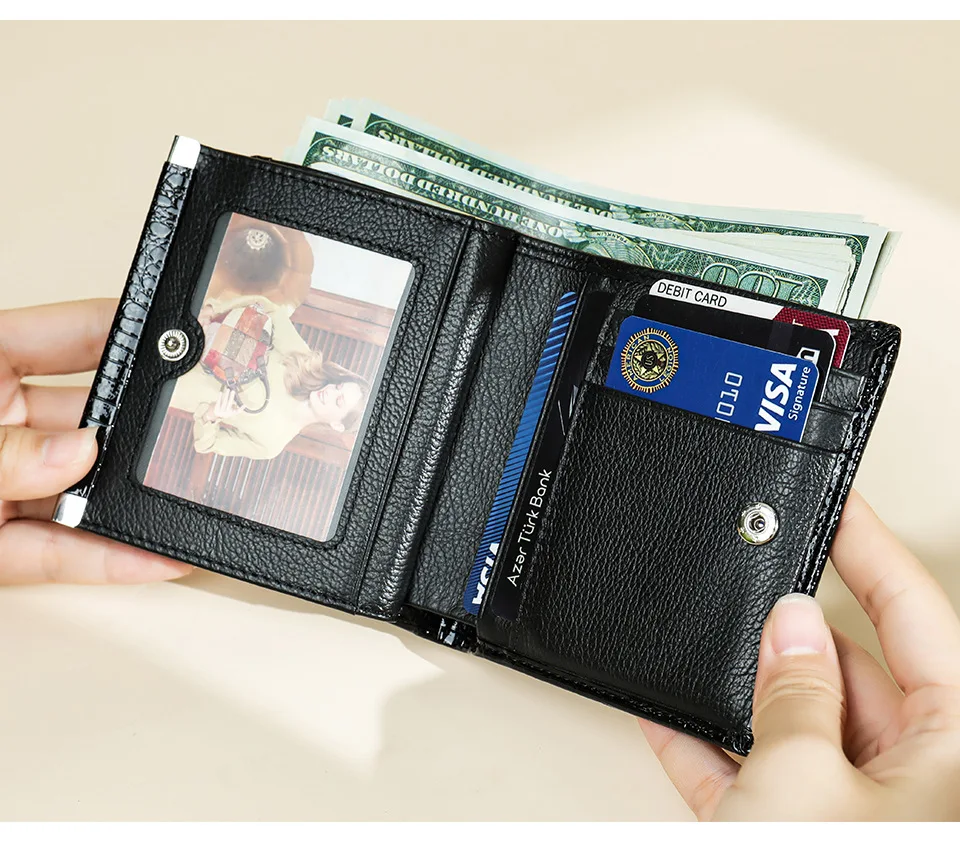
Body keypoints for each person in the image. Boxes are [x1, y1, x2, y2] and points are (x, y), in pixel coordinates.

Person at [1, 299, 959, 820]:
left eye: (338, 401)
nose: (333, 404)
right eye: (336, 405)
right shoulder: (268, 419)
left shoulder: (287, 375)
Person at [168, 294, 371, 460]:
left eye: (339, 401)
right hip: (188, 331)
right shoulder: (304, 360)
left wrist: (212, 415)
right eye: (338, 387)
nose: (330, 392)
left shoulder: (271, 444)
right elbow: (266, 306)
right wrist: (211, 310)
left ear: (337, 425)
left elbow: (206, 445)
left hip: (174, 383)